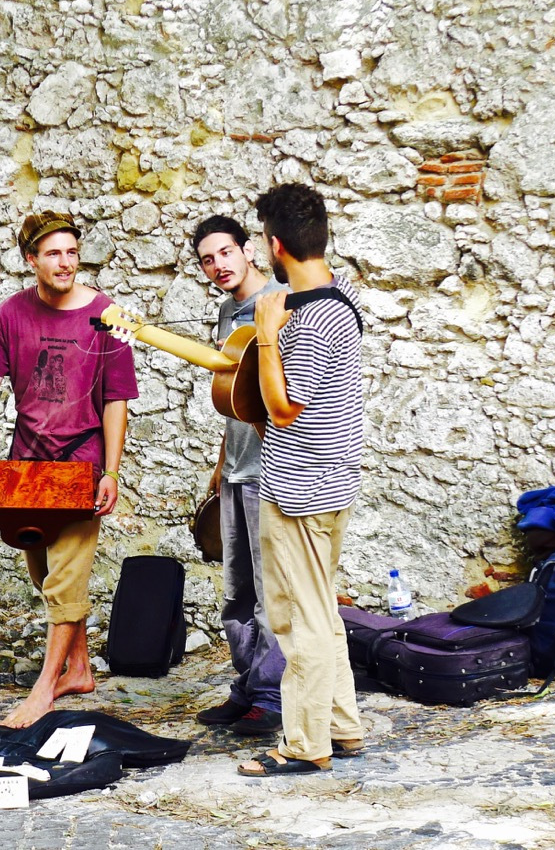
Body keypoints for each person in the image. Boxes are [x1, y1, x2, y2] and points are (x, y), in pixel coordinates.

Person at [0, 210, 137, 728]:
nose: (65, 262)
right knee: (43, 573)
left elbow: (116, 399)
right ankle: (77, 668)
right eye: (53, 253)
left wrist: (111, 471)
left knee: (65, 581)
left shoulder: (106, 316)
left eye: (71, 252)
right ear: (31, 260)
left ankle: (45, 689)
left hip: (81, 466)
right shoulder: (10, 315)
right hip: (26, 467)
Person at [235, 184, 366, 777]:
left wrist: (266, 331)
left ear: (275, 243)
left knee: (299, 620)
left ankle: (304, 743)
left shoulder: (305, 319)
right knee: (322, 612)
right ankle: (339, 726)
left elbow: (284, 408)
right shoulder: (340, 303)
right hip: (332, 484)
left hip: (299, 492)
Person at [191, 215, 289, 737]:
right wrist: (221, 461)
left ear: (247, 249)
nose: (218, 266)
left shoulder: (279, 304)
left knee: (273, 593)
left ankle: (272, 698)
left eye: (225, 253)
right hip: (235, 468)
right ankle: (248, 687)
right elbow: (235, 396)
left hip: (272, 472)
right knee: (235, 593)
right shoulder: (229, 312)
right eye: (207, 259)